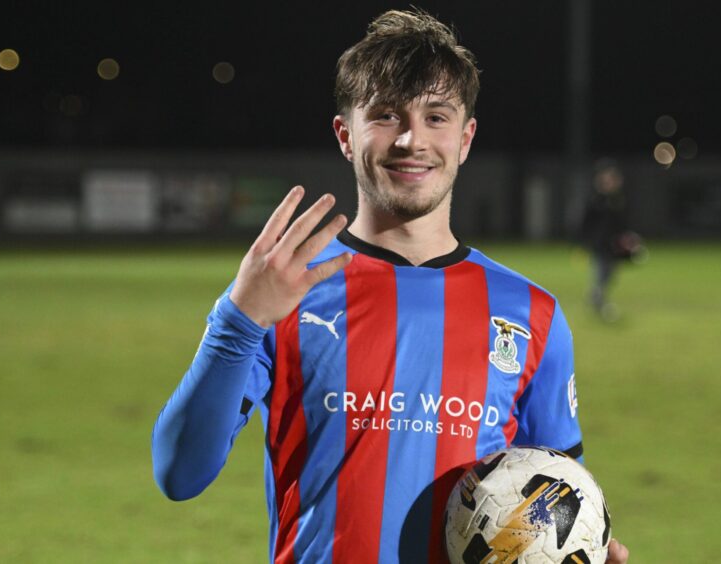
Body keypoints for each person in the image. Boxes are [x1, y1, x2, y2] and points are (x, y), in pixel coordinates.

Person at [152, 9, 629, 564]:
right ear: (345, 135)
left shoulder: (532, 312)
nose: (410, 139)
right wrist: (237, 322)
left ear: (466, 137)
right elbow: (179, 474)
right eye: (384, 115)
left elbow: (556, 501)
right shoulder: (284, 290)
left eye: (436, 117)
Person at [578, 160, 640, 321]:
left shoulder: (618, 200)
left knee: (610, 274)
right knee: (602, 272)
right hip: (600, 244)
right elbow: (586, 223)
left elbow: (622, 224)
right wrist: (584, 242)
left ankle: (596, 295)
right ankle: (599, 301)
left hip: (614, 245)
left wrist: (628, 238)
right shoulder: (596, 200)